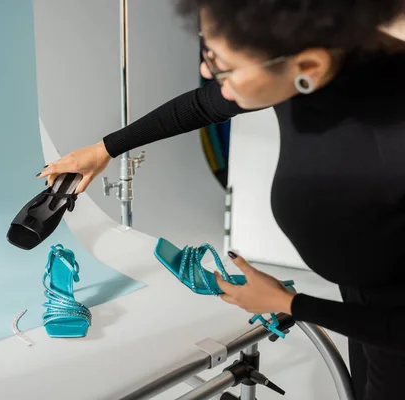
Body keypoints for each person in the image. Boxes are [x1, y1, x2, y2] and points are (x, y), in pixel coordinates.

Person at [38, 1, 405, 399]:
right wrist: (105, 149)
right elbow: (202, 105)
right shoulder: (322, 55)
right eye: (207, 52)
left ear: (308, 66)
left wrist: (292, 303)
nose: (206, 71)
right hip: (363, 297)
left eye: (223, 65)